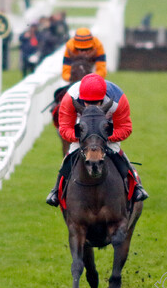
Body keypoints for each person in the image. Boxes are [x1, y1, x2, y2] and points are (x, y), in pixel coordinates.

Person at [46, 73, 148, 206]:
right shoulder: (70, 98)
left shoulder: (118, 99)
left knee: (116, 151)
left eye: (96, 102)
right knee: (71, 153)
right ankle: (55, 191)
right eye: (88, 103)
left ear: (104, 98)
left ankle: (136, 186)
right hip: (83, 130)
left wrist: (106, 138)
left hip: (107, 129)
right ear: (81, 98)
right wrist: (81, 138)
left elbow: (125, 128)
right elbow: (64, 128)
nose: (92, 106)